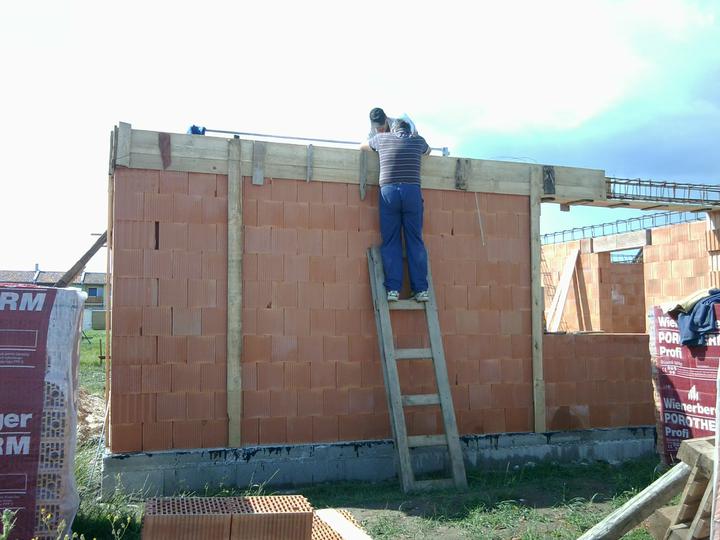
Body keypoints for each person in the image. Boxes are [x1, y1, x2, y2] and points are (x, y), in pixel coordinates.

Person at [361, 118, 431, 302]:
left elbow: (363, 146)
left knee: (391, 240)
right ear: (410, 130)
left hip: (389, 192)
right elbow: (428, 150)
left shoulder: (382, 139)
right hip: (412, 191)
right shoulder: (418, 140)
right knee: (414, 240)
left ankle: (393, 289)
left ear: (393, 129)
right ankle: (421, 290)